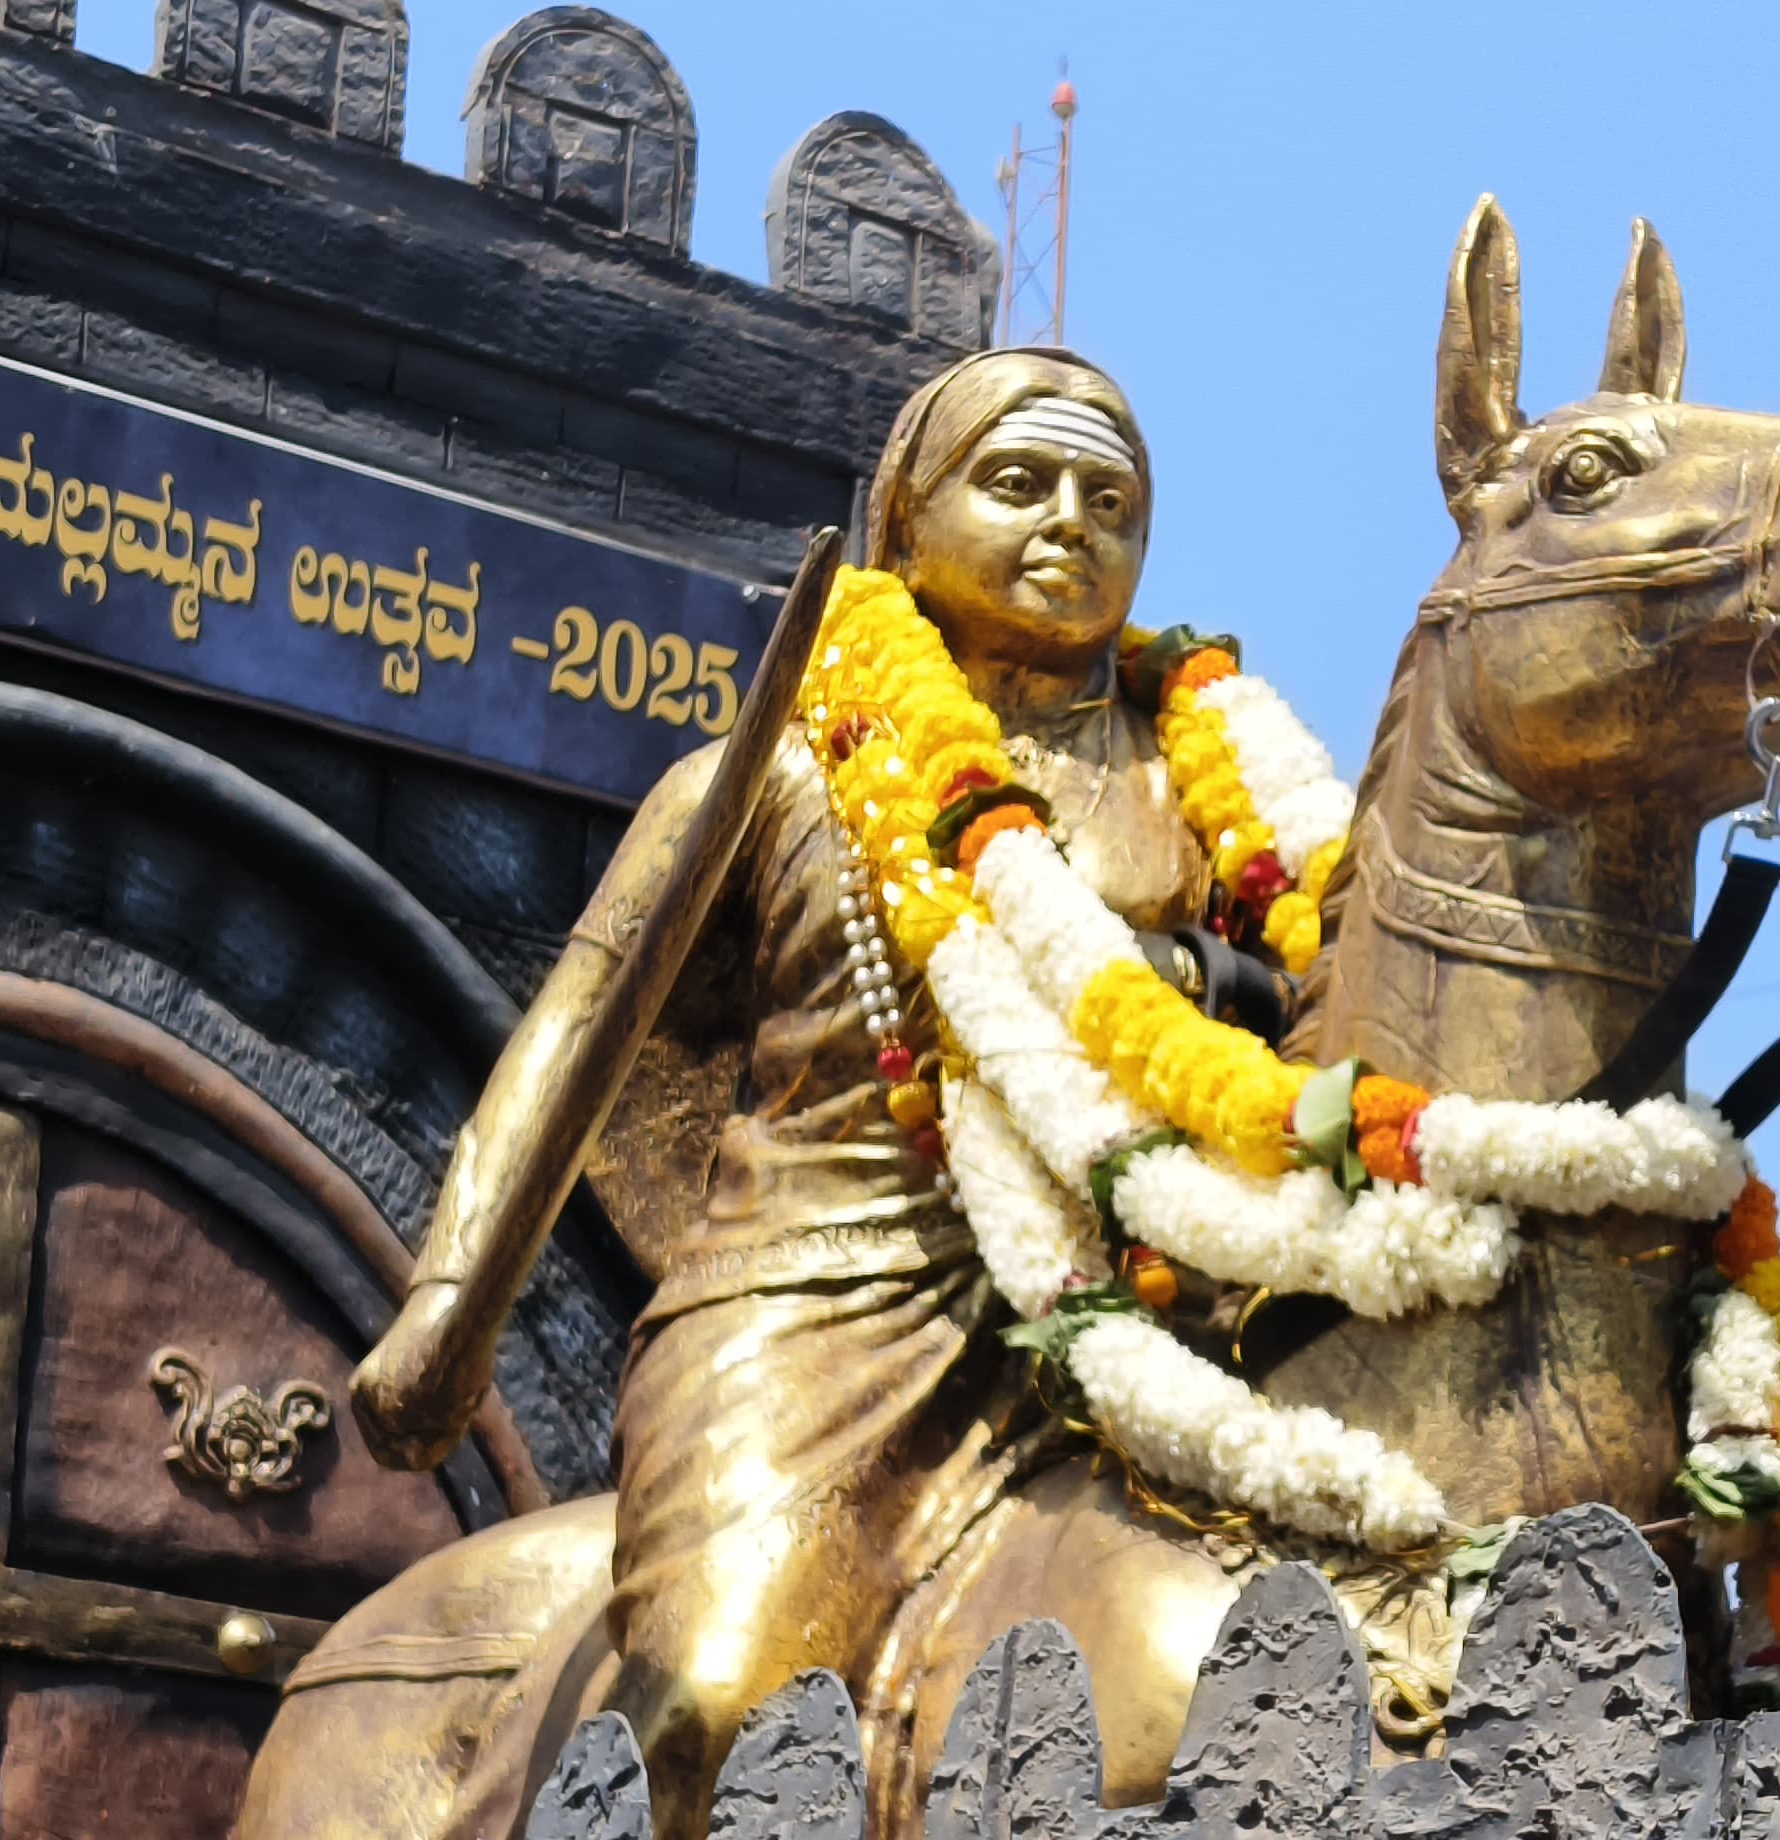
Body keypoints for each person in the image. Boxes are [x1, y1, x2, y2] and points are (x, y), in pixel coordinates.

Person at [360, 348, 1212, 1829]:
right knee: (705, 1705)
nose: (1071, 522)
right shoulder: (777, 773)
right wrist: (448, 1304)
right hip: (819, 1303)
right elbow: (574, 1037)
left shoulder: (1208, 796)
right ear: (904, 515)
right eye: (1018, 483)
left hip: (1127, 1315)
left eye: (1111, 499)